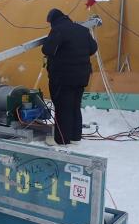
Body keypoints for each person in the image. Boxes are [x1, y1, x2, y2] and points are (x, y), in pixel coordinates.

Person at [42, 8, 98, 145]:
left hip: (62, 76)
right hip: (81, 76)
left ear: (53, 20)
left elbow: (47, 49)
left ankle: (61, 139)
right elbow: (93, 48)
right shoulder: (82, 29)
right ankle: (75, 137)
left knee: (62, 107)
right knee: (74, 106)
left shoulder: (58, 30)